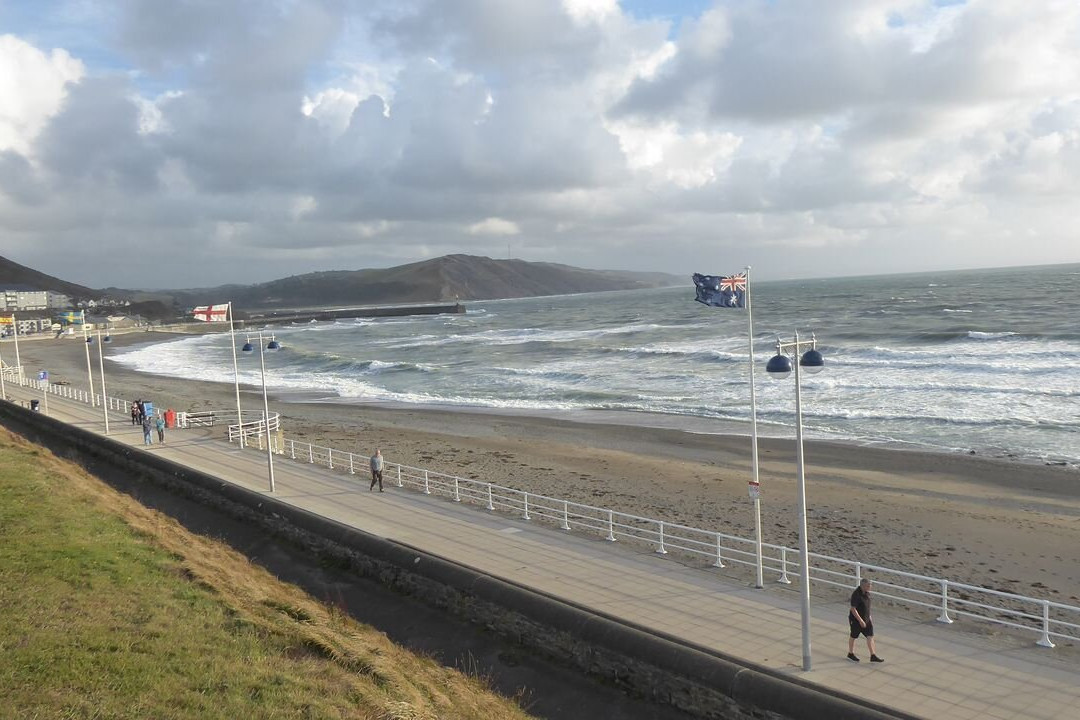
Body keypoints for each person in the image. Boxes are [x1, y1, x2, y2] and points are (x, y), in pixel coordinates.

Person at [848, 579, 884, 663]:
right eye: (868, 586)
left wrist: (869, 617)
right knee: (853, 636)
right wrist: (860, 620)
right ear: (863, 586)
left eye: (870, 585)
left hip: (867, 619)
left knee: (870, 636)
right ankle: (850, 653)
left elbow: (867, 607)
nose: (870, 587)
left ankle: (873, 655)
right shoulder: (856, 594)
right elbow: (853, 609)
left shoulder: (867, 594)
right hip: (856, 620)